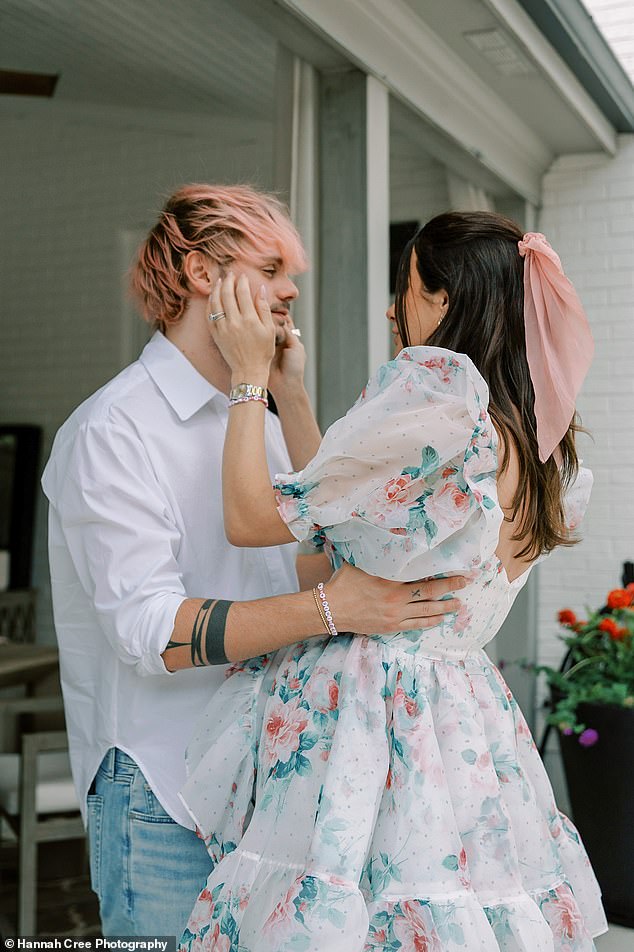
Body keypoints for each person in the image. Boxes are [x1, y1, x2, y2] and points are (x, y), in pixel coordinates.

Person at [41, 184, 463, 938]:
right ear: (203, 274)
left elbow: (300, 561)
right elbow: (153, 633)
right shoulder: (112, 431)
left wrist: (289, 399)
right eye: (270, 267)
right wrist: (337, 608)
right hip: (161, 797)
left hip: (269, 783)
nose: (291, 288)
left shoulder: (254, 419)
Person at [177, 212, 607, 951]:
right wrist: (296, 397)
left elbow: (252, 517)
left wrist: (248, 383)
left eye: (406, 288)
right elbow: (340, 541)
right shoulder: (531, 440)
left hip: (372, 718)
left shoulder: (440, 404)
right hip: (464, 723)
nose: (390, 309)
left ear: (446, 302)